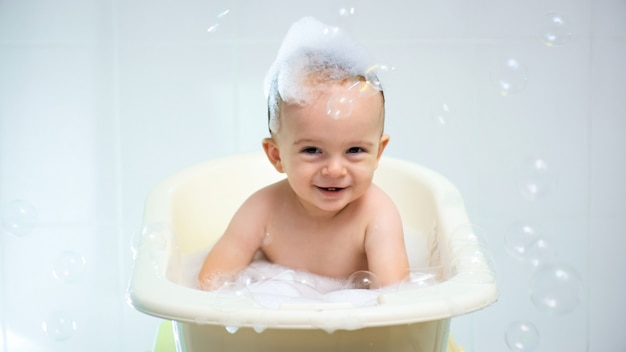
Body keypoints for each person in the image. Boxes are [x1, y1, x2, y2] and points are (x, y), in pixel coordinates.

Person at [198, 17, 409, 291]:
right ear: (276, 156)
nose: (334, 169)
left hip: (355, 330)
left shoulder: (377, 215)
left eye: (355, 150)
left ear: (378, 153)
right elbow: (209, 283)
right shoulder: (262, 211)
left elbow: (397, 299)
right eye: (312, 150)